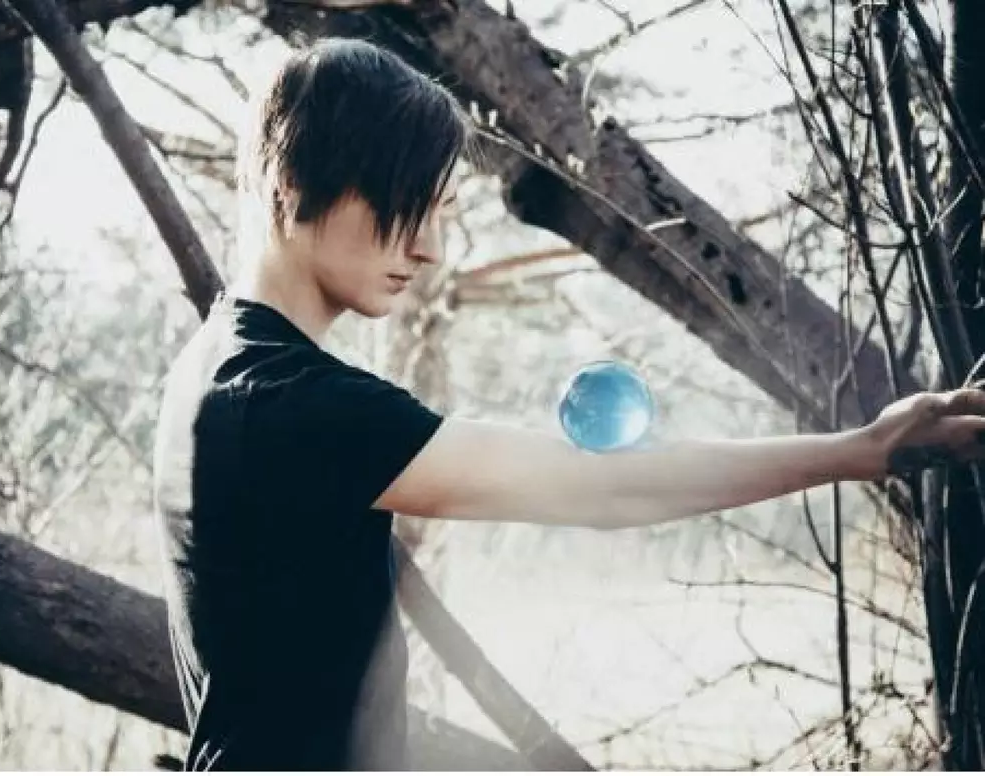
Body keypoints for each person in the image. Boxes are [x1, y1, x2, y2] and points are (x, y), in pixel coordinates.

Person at [152, 37, 985, 771]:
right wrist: (860, 450)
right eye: (405, 203)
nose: (429, 248)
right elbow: (608, 487)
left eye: (440, 213)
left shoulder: (214, 368)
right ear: (294, 179)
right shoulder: (291, 405)